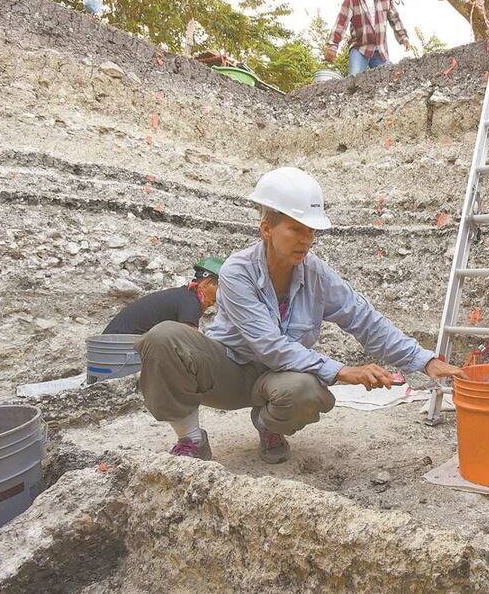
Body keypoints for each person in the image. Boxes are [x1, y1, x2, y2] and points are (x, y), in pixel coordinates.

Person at [135, 167, 461, 463]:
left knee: (306, 391)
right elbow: (269, 345)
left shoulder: (316, 274)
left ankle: (268, 425)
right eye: (295, 229)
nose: (307, 240)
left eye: (311, 231)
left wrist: (425, 360)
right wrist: (345, 371)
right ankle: (191, 440)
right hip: (227, 373)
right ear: (267, 228)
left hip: (276, 380)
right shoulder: (237, 271)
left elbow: (364, 319)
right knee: (164, 337)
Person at [324, 0, 411, 76]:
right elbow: (340, 25)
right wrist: (332, 47)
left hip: (380, 51)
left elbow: (395, 19)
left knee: (392, 78)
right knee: (353, 80)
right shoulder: (351, 1)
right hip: (360, 50)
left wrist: (403, 37)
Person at [103, 257, 223, 335]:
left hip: (107, 345)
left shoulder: (183, 296)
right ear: (208, 283)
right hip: (117, 349)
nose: (219, 297)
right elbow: (188, 341)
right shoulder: (191, 302)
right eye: (221, 288)